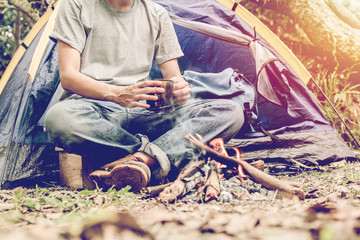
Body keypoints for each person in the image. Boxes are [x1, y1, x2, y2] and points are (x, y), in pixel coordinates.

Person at [45, 0, 244, 192]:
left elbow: (173, 77)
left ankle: (141, 159)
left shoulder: (157, 14)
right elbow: (68, 77)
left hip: (145, 113)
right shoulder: (75, 5)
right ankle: (159, 155)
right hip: (97, 111)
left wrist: (180, 90)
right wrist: (116, 94)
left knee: (230, 112)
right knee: (59, 118)